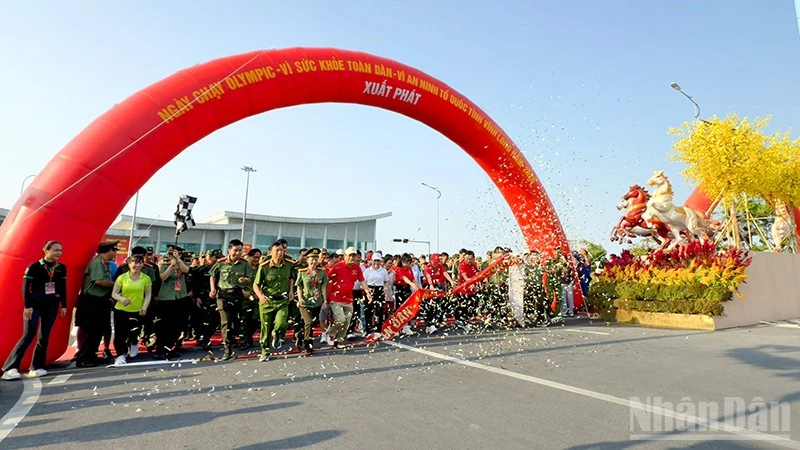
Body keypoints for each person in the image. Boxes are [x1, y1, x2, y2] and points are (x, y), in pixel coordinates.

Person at [2, 241, 68, 380]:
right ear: (46, 250)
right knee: (29, 334)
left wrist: (64, 305)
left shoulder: (61, 268)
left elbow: (62, 287)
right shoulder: (34, 266)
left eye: (60, 250)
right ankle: (10, 368)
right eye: (55, 250)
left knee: (44, 335)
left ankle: (36, 367)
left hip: (52, 305)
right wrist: (28, 306)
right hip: (35, 304)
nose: (59, 253)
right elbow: (25, 287)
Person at [209, 239, 254, 361]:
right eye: (235, 250)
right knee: (226, 322)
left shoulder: (244, 264)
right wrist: (213, 289)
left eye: (240, 250)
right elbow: (212, 275)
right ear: (229, 250)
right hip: (223, 294)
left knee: (235, 321)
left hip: (237, 294)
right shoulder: (221, 263)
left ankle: (233, 339)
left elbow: (250, 278)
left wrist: (245, 280)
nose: (238, 253)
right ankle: (227, 349)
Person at [75, 241, 118, 367]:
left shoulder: (104, 263)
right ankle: (84, 358)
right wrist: (117, 284)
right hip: (92, 301)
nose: (115, 253)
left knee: (98, 330)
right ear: (109, 251)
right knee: (93, 330)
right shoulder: (98, 263)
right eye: (114, 250)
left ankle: (90, 355)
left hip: (100, 300)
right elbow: (99, 281)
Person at [253, 242, 296, 362]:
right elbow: (256, 285)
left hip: (282, 300)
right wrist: (260, 296)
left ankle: (277, 335)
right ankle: (265, 351)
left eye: (281, 250)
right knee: (266, 328)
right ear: (270, 252)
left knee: (282, 323)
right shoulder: (264, 266)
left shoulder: (289, 265)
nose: (280, 253)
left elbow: (291, 277)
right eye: (277, 250)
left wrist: (291, 291)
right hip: (267, 301)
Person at [110, 255, 152, 365]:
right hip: (121, 309)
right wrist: (122, 299)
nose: (137, 265)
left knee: (134, 331)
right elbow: (114, 293)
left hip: (137, 310)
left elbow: (148, 294)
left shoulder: (146, 278)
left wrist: (145, 306)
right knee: (120, 334)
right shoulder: (122, 278)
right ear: (129, 264)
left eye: (140, 263)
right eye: (135, 263)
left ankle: (134, 342)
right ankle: (120, 355)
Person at [327, 247, 370, 348]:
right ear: (345, 256)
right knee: (341, 319)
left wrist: (367, 292)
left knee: (347, 322)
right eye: (350, 255)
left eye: (354, 256)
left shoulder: (357, 268)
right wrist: (326, 296)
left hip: (348, 299)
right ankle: (330, 334)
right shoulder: (338, 266)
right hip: (336, 298)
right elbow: (328, 279)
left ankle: (338, 341)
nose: (352, 258)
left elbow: (362, 280)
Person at [154, 245, 190, 358]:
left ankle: (169, 347)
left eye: (175, 254)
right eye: (170, 254)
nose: (172, 256)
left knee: (177, 325)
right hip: (166, 298)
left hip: (180, 297)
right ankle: (161, 348)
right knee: (165, 325)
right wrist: (171, 265)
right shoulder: (164, 265)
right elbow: (163, 277)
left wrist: (178, 260)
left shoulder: (182, 264)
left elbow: (186, 270)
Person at [294, 248, 328, 354]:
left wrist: (325, 301)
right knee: (308, 322)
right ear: (307, 260)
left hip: (317, 302)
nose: (314, 262)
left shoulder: (322, 272)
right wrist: (300, 299)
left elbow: (323, 287)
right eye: (312, 259)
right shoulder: (302, 272)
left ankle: (300, 335)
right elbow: (299, 286)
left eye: (316, 259)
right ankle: (308, 344)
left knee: (312, 323)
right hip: (305, 302)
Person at [191, 249, 221, 351]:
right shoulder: (201, 270)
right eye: (216, 257)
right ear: (209, 257)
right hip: (203, 298)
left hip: (217, 298)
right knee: (201, 320)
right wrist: (197, 297)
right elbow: (195, 284)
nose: (217, 260)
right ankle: (203, 339)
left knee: (215, 319)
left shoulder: (221, 269)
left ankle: (206, 337)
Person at [362, 252, 390, 337]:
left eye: (378, 261)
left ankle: (378, 330)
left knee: (379, 310)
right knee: (368, 311)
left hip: (379, 290)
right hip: (369, 290)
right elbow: (363, 282)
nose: (376, 263)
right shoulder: (367, 271)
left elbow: (387, 281)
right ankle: (368, 331)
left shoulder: (383, 271)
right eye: (375, 261)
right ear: (372, 261)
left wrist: (385, 287)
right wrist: (367, 289)